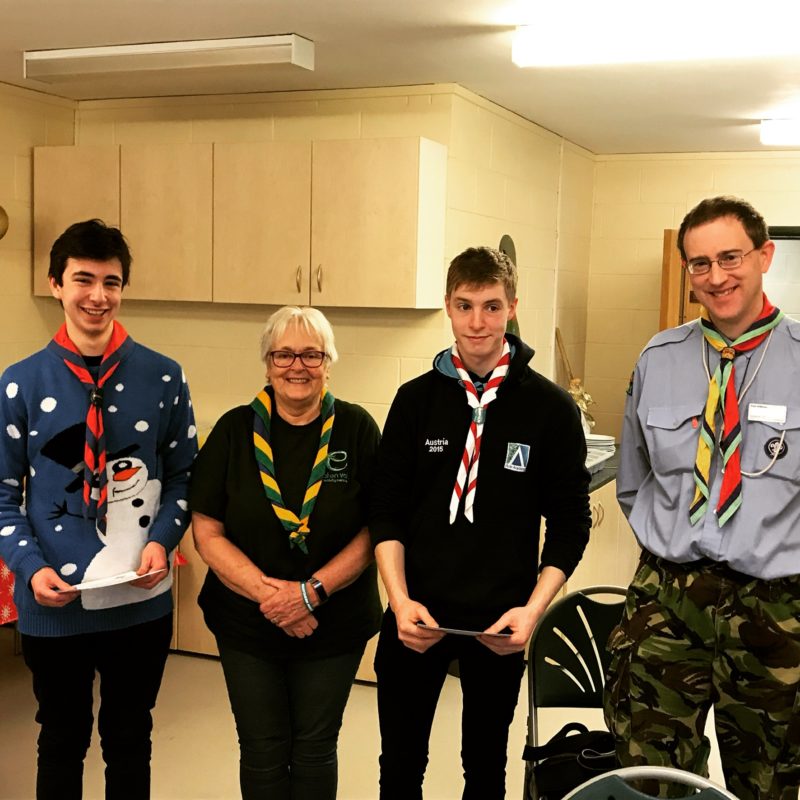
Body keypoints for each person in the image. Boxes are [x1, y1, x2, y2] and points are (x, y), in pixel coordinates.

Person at [369, 246, 592, 800]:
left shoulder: (550, 409)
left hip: (500, 623)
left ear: (512, 307)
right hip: (415, 615)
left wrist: (531, 611)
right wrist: (399, 601)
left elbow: (570, 522)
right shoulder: (414, 401)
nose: (477, 323)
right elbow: (386, 510)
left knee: (486, 769)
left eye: (491, 307)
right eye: (465, 306)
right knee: (399, 767)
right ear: (448, 305)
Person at [605, 196, 800, 800]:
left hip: (773, 605)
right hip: (667, 596)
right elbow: (634, 480)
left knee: (769, 781)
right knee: (650, 775)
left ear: (764, 255)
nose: (716, 276)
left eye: (730, 257)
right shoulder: (658, 357)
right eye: (700, 263)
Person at [0, 219, 197, 799]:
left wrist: (162, 540)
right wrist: (30, 568)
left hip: (140, 601)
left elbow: (184, 476)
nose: (98, 296)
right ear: (55, 285)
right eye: (83, 279)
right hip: (53, 603)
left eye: (111, 282)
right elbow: (2, 494)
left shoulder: (163, 376)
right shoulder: (20, 383)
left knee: (130, 737)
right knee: (61, 739)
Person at [188, 305, 382, 800]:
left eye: (311, 355)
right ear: (268, 363)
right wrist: (273, 598)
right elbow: (206, 530)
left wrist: (311, 593)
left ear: (328, 363)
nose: (298, 366)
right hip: (247, 621)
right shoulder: (233, 431)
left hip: (334, 619)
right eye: (284, 355)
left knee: (316, 747)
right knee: (262, 748)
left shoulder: (357, 428)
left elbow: (375, 528)